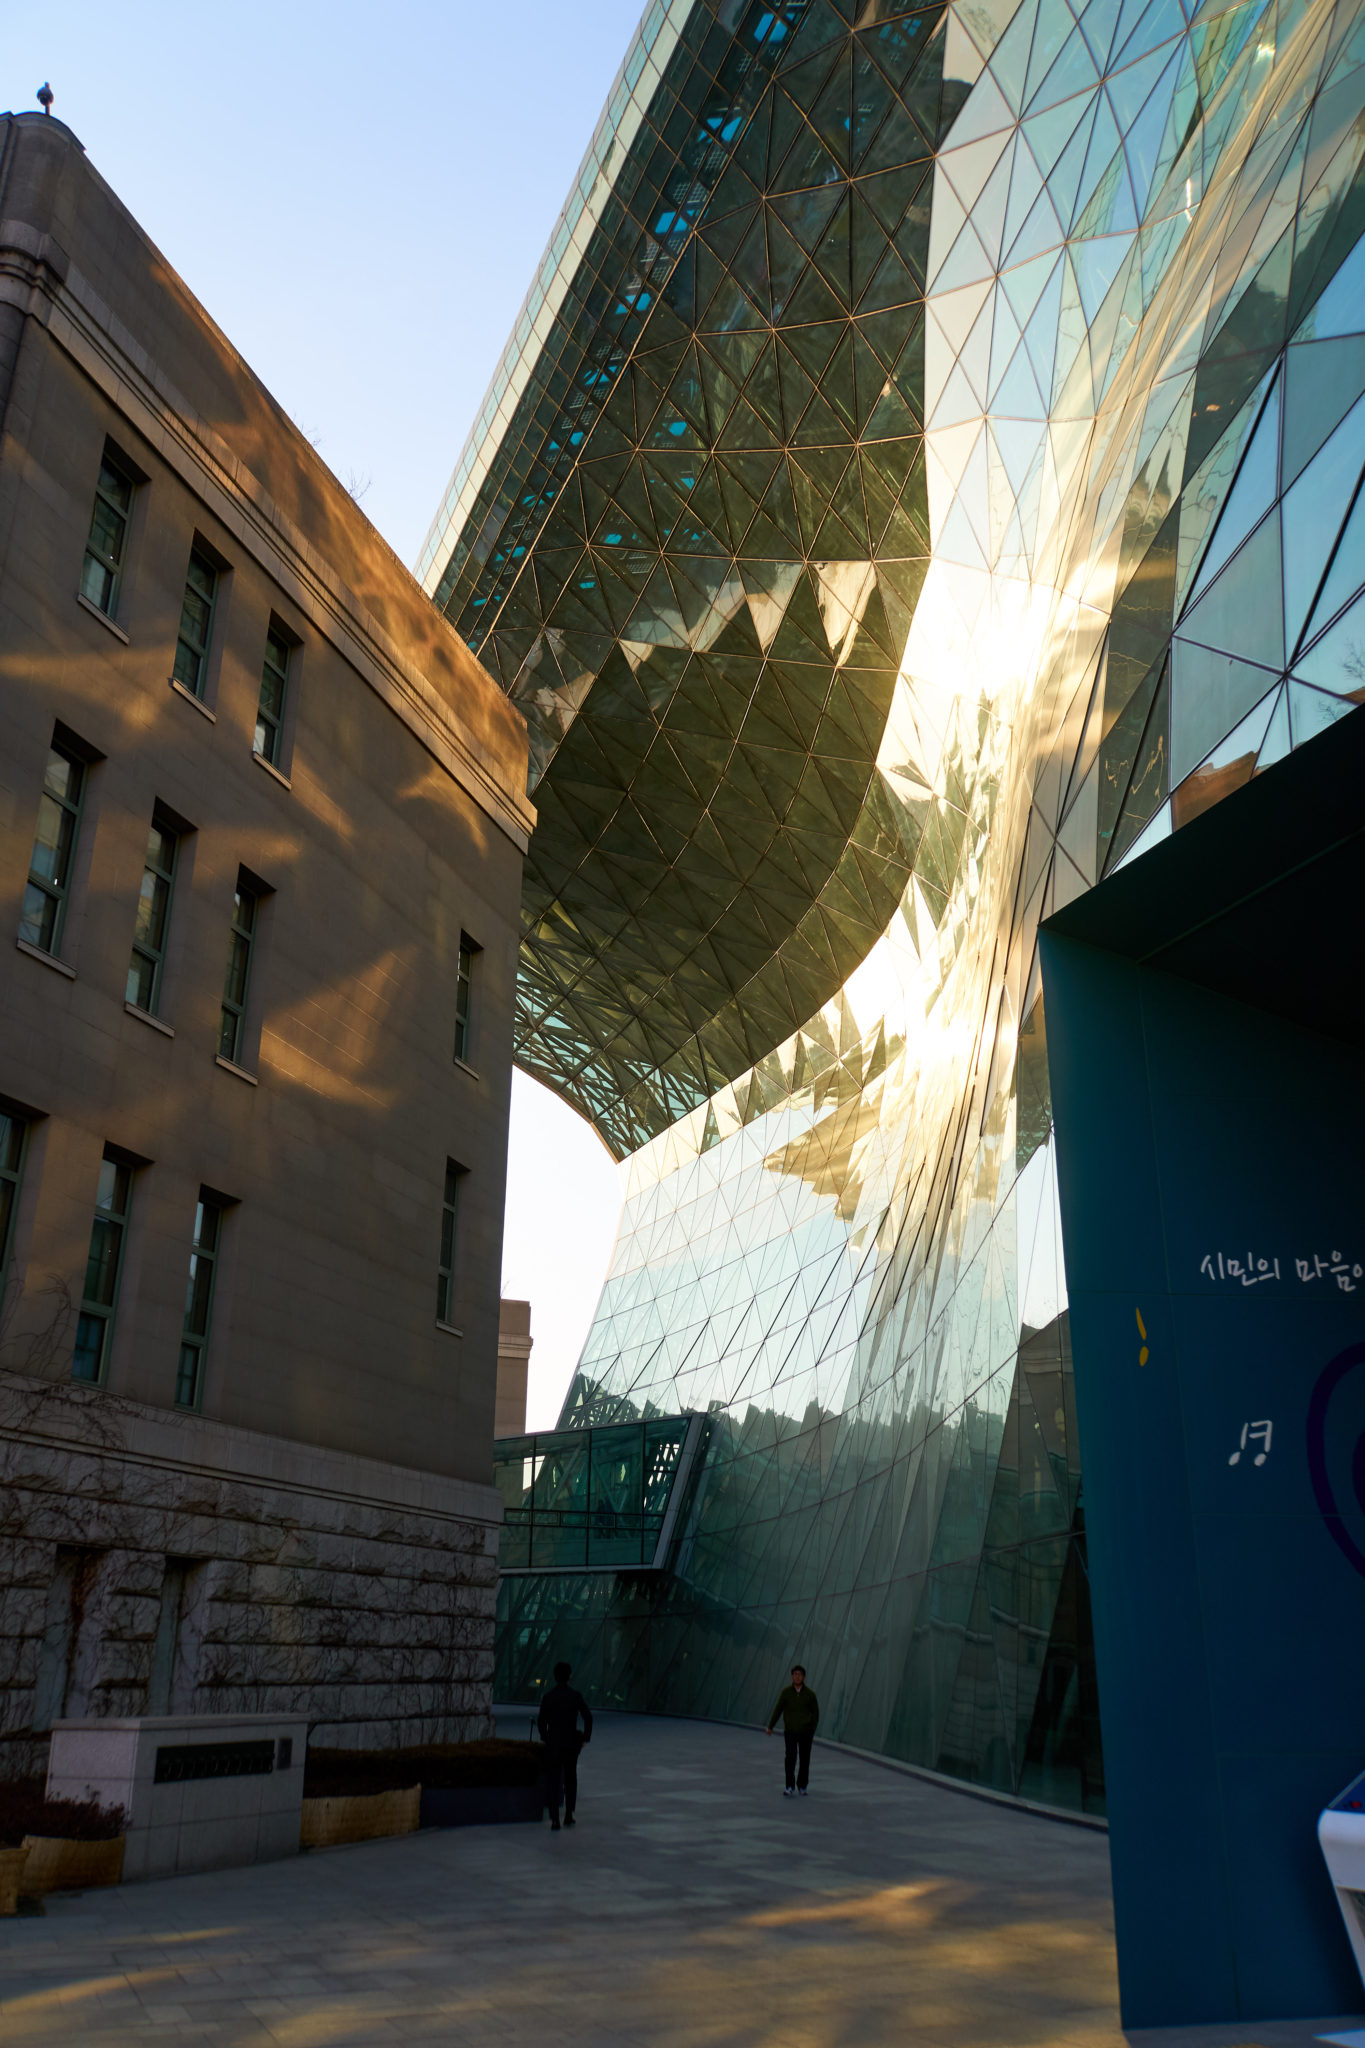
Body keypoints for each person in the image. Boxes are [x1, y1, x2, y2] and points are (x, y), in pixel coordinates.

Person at [537, 1660, 593, 1831]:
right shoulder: (575, 1696)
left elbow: (541, 1721)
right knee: (570, 1779)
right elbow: (588, 1717)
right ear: (569, 1676)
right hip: (571, 1743)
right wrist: (585, 1738)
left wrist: (546, 1737)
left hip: (554, 1743)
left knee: (554, 1780)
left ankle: (555, 1819)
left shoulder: (548, 1697)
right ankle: (569, 1814)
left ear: (555, 1676)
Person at [766, 1663, 819, 1796]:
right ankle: (789, 1786)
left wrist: (811, 1729)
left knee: (804, 1759)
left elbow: (815, 1714)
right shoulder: (786, 1693)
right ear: (792, 1676)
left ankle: (802, 1785)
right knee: (790, 1758)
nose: (797, 1677)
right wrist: (770, 1726)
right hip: (790, 1731)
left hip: (805, 1733)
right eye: (795, 1674)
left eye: (799, 1675)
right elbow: (778, 1709)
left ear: (804, 1677)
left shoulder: (810, 1694)